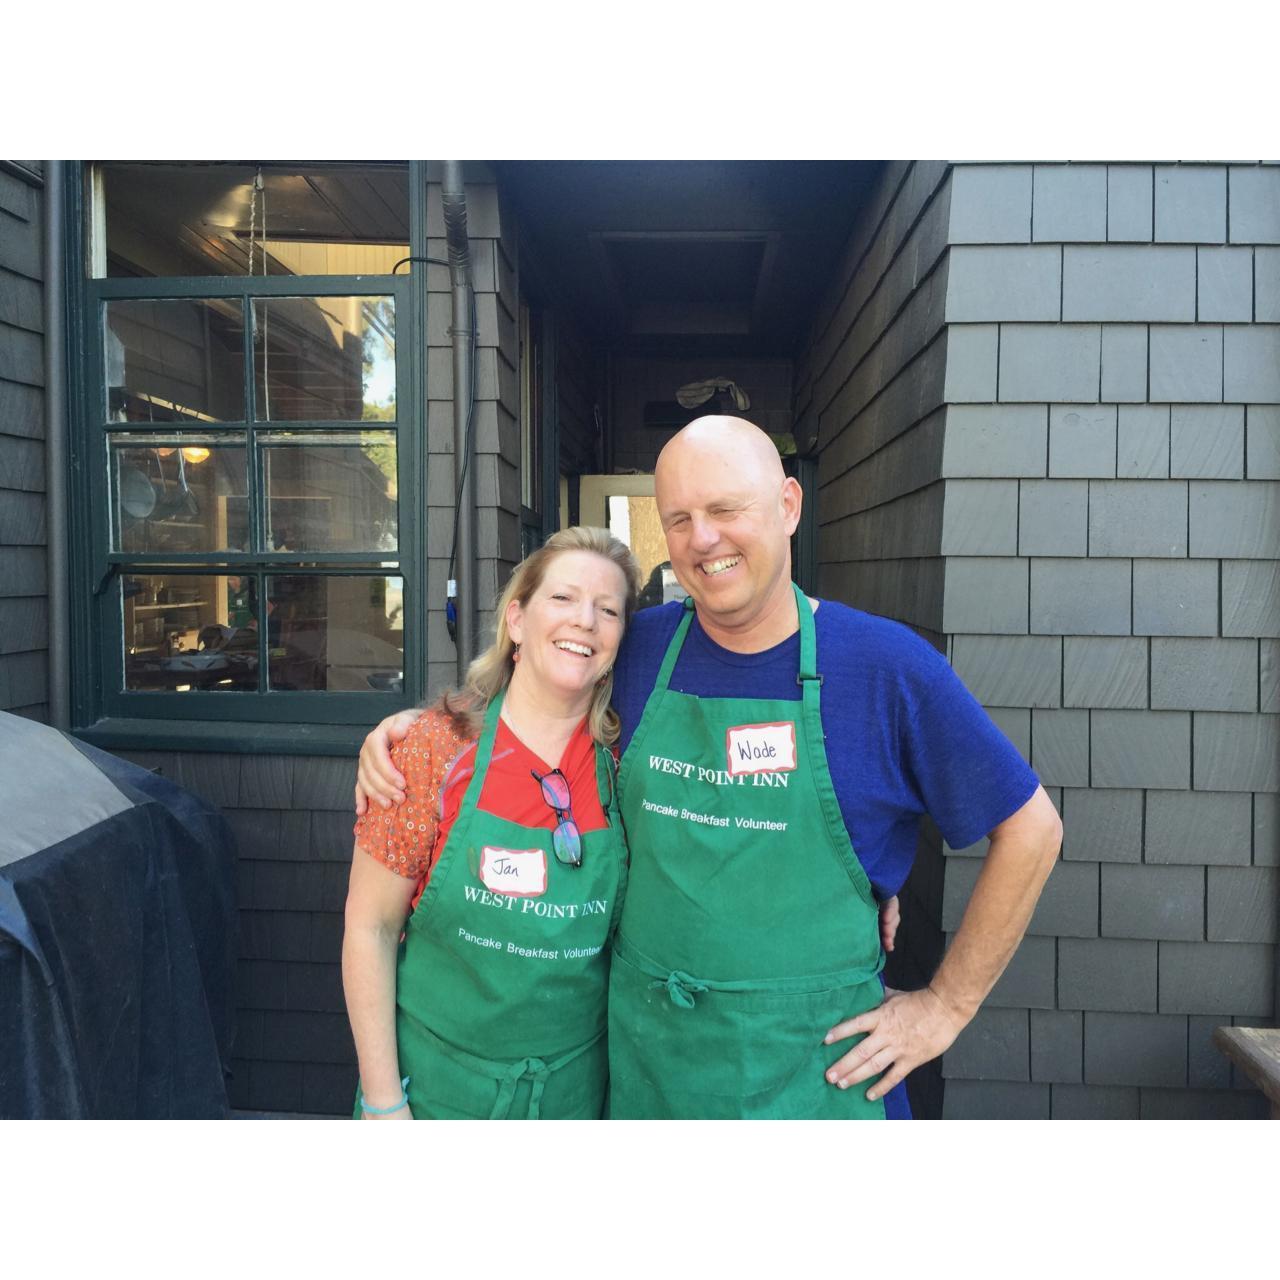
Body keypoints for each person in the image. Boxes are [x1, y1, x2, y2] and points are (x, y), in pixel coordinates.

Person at [356, 416, 1062, 1119]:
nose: (702, 539)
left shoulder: (887, 668)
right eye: (681, 519)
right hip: (650, 1075)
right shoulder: (636, 649)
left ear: (789, 505)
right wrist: (413, 731)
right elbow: (539, 687)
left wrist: (945, 1006)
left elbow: (1031, 830)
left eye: (726, 510)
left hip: (816, 1080)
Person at [342, 525, 641, 1119]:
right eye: (562, 598)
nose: (584, 620)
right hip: (434, 1095)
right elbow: (369, 928)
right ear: (516, 621)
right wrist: (383, 1104)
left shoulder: (626, 765)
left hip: (572, 1099)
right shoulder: (434, 750)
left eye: (607, 610)